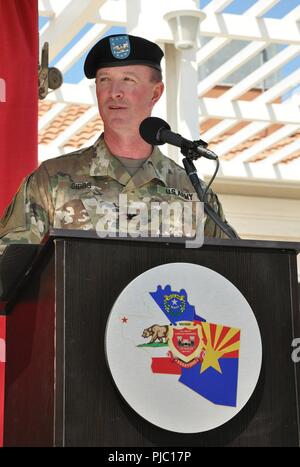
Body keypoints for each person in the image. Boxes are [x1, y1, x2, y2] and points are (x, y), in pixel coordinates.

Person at [0, 34, 231, 253]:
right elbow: (8, 268)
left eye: (128, 80)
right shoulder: (52, 181)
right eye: (105, 80)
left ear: (155, 93)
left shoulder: (192, 193)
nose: (114, 92)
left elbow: (236, 271)